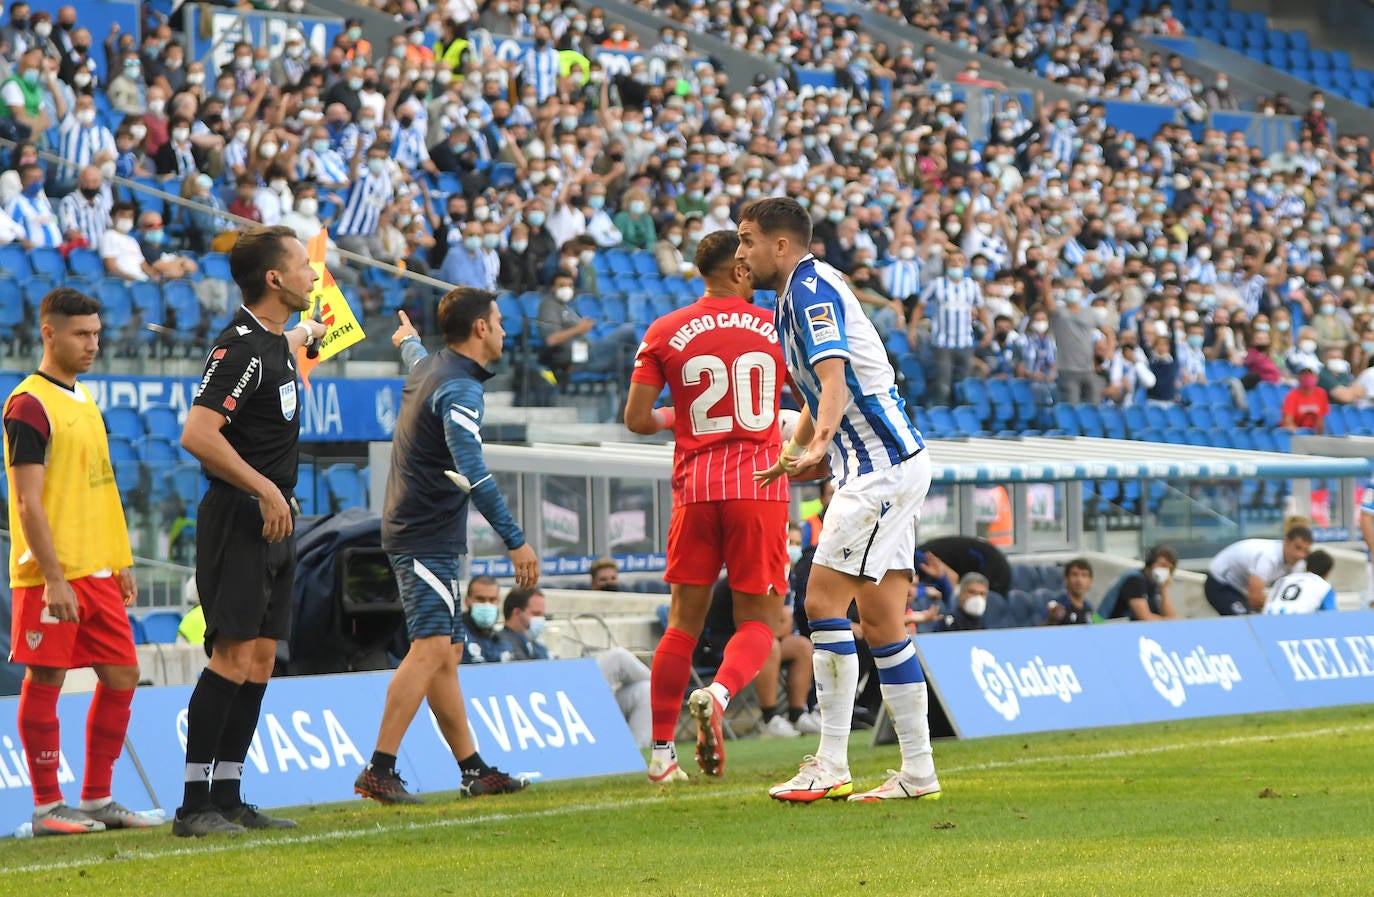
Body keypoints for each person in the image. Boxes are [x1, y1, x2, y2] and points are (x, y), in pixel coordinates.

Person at [741, 197, 939, 803]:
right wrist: (791, 453)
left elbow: (833, 380)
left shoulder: (808, 290)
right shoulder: (792, 296)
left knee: (821, 598)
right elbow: (813, 396)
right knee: (881, 621)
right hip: (887, 464)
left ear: (781, 245)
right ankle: (919, 773)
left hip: (877, 469)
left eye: (747, 240)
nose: (740, 252)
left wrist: (820, 444)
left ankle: (829, 762)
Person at [353, 291, 539, 806]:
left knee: (447, 653)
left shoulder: (432, 366)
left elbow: (416, 360)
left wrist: (407, 341)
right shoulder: (460, 390)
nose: (505, 331)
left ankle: (473, 770)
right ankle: (379, 767)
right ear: (480, 328)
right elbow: (472, 472)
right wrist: (515, 541)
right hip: (423, 532)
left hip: (419, 529)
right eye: (499, 322)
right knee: (432, 648)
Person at [174, 226, 327, 837]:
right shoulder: (238, 348)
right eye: (303, 267)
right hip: (242, 516)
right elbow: (198, 434)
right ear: (274, 278)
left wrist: (306, 334)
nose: (312, 276)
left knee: (262, 658)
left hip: (276, 518)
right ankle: (193, 806)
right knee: (232, 655)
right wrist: (263, 488)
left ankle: (231, 796)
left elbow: (284, 342)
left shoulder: (273, 342)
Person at [623, 230, 791, 783]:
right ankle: (717, 697)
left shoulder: (665, 330)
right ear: (740, 270)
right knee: (760, 624)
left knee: (681, 626)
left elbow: (637, 419)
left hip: (695, 489)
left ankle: (661, 756)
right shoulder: (775, 327)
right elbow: (818, 395)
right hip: (759, 487)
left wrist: (680, 418)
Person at [3, 288, 162, 836]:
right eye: (81, 334)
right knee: (45, 677)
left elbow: (100, 489)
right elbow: (26, 501)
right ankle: (48, 807)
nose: (93, 344)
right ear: (49, 333)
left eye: (96, 333)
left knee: (122, 675)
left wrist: (120, 559)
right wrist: (52, 577)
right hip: (52, 575)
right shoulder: (29, 404)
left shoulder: (84, 399)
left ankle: (96, 798)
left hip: (97, 570)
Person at [1205, 526, 1313, 616]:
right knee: (1244, 623)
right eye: (1297, 548)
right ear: (1286, 542)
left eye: (1305, 551)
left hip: (1241, 588)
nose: (1300, 555)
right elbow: (1255, 599)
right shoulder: (1269, 557)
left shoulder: (1299, 563)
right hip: (1221, 584)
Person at [1108, 545, 1180, 622]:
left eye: (1169, 569)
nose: (1165, 571)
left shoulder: (1155, 583)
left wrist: (1163, 589)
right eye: (1162, 565)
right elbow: (1146, 618)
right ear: (1150, 562)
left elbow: (1171, 617)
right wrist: (1168, 621)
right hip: (1103, 625)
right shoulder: (1134, 580)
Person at [1263, 549, 1337, 615]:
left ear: (1306, 566)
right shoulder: (1324, 586)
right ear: (1328, 572)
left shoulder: (1282, 581)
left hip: (1266, 624)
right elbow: (1331, 618)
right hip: (1297, 625)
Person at [457, 575, 509, 664]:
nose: (487, 605)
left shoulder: (502, 642)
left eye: (492, 599)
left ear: (498, 602)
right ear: (467, 601)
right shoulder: (455, 636)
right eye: (480, 599)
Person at [497, 586, 549, 661]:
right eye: (536, 614)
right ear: (517, 613)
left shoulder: (538, 646)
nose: (541, 619)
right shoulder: (500, 644)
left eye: (543, 615)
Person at [1046, 558, 1095, 625]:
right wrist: (1051, 620)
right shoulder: (1058, 605)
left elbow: (1102, 626)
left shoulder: (1089, 607)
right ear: (1066, 579)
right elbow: (1038, 631)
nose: (1079, 580)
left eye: (1084, 575)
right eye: (1074, 574)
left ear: (1090, 581)